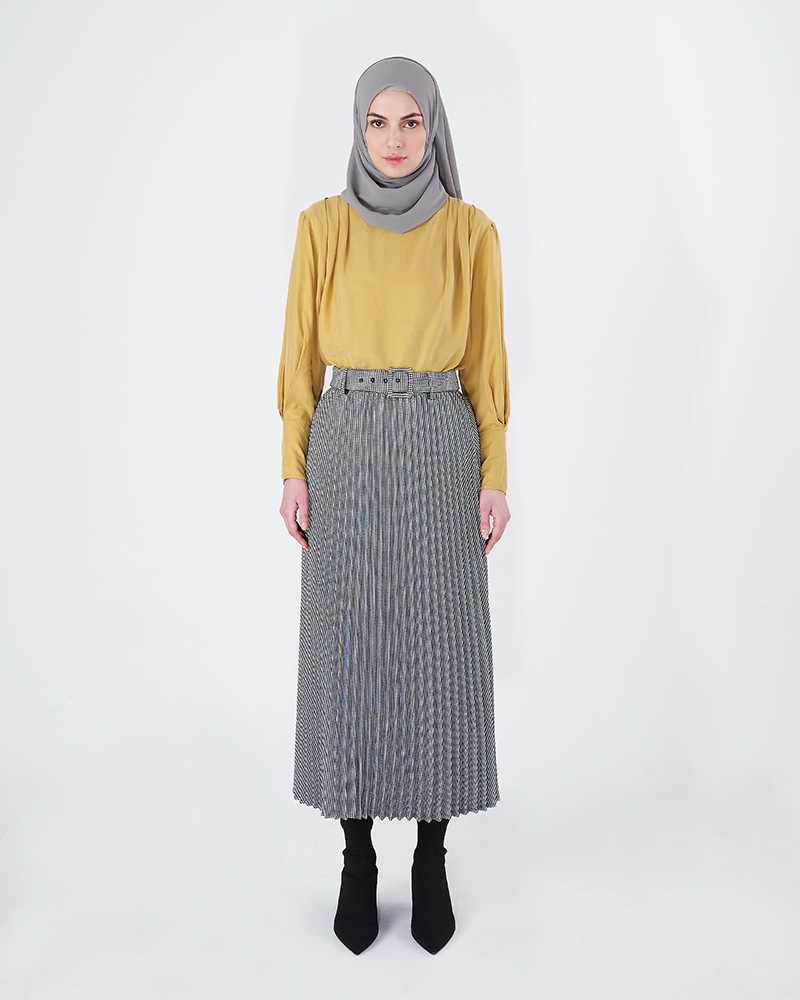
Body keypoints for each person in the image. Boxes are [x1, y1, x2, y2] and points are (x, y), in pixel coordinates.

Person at [278, 56, 510, 955]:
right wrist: (292, 467)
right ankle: (356, 853)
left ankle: (432, 853)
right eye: (378, 121)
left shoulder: (471, 232)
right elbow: (299, 358)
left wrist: (495, 476)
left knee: (438, 648)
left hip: (441, 442)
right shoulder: (321, 226)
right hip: (345, 441)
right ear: (357, 129)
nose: (395, 139)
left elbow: (486, 366)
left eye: (411, 121)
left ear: (434, 127)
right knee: (352, 650)